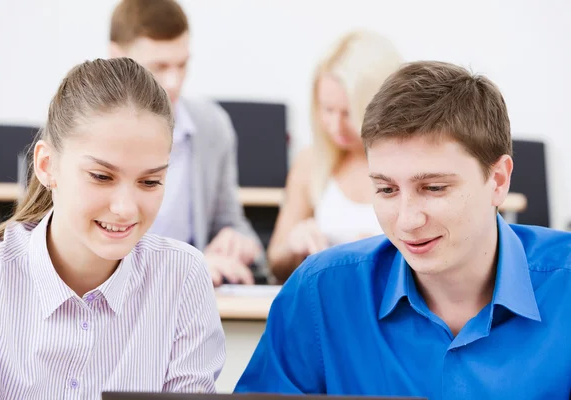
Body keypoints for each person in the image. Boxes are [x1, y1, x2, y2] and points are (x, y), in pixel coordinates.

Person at [234, 61, 571, 398]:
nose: (407, 221)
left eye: (434, 188)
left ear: (498, 180)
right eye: (387, 190)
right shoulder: (319, 292)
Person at [0, 58, 225, 399]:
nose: (125, 208)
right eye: (102, 177)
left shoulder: (183, 277)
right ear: (47, 166)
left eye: (150, 181)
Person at [108, 0, 264, 287]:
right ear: (116, 57)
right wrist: (190, 266)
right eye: (159, 66)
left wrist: (238, 242)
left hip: (185, 299)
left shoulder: (212, 126)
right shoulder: (83, 129)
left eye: (182, 65)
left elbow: (232, 222)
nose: (173, 82)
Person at [266, 31, 402, 282]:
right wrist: (295, 246)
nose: (335, 126)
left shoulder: (411, 165)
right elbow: (276, 262)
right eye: (327, 110)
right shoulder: (311, 163)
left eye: (349, 113)